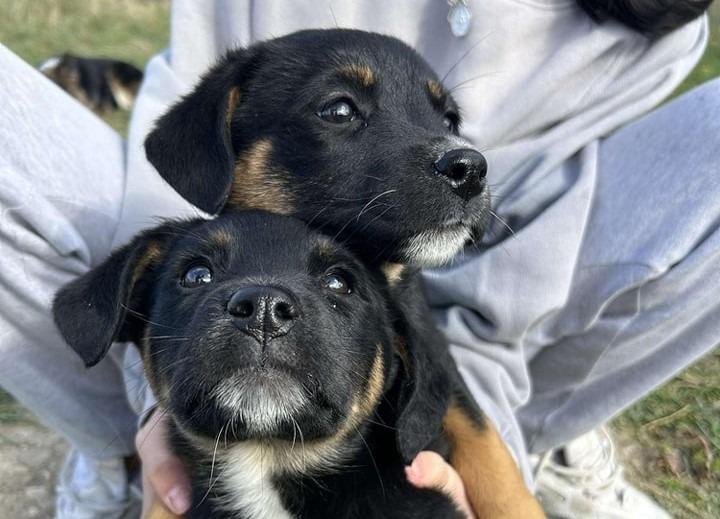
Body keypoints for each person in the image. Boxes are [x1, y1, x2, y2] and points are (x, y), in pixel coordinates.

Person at [0, 1, 717, 518]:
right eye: (341, 112)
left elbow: (511, 270)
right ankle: (132, 453)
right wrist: (164, 394)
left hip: (492, 300)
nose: (457, 155)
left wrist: (490, 470)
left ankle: (537, 439)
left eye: (445, 123)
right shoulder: (227, 119)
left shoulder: (650, 22)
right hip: (207, 290)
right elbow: (172, 189)